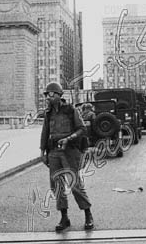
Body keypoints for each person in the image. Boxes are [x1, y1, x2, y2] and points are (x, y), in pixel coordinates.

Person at [40, 82, 94, 232]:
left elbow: (82, 129)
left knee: (75, 184)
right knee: (56, 186)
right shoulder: (48, 113)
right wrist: (42, 152)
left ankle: (88, 214)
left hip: (69, 151)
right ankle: (64, 218)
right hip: (54, 152)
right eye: (46, 95)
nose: (48, 97)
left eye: (50, 94)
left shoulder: (71, 110)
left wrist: (69, 139)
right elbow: (45, 133)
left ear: (58, 95)